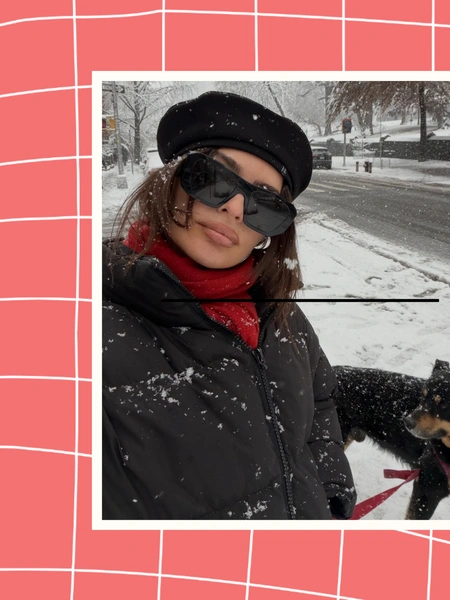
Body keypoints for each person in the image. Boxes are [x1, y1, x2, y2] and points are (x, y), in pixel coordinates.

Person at [102, 91, 357, 520]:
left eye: (265, 204)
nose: (236, 209)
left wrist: (330, 491)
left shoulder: (280, 315)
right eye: (215, 178)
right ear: (171, 179)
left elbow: (321, 401)